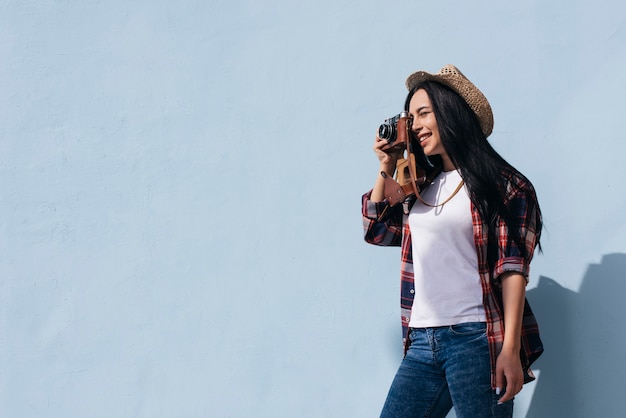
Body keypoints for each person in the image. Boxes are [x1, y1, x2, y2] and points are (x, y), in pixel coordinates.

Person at [361, 65, 543, 418]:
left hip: (476, 339)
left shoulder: (504, 185)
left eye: (424, 113)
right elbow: (377, 230)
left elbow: (513, 269)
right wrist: (387, 165)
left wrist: (508, 350)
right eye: (410, 117)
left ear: (451, 112)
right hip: (421, 340)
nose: (415, 125)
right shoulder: (420, 185)